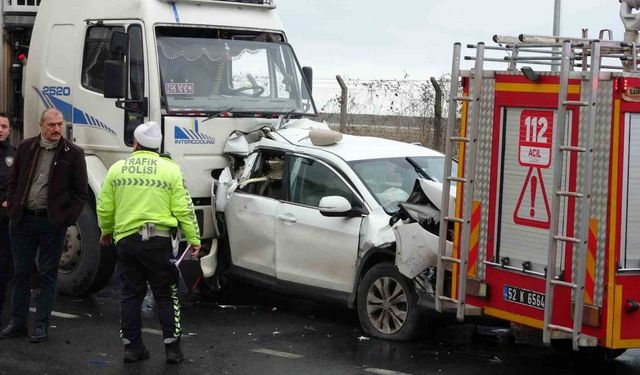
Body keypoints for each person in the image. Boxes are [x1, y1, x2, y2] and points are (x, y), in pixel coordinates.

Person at [97, 121, 201, 364]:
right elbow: (184, 209)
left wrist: (105, 231)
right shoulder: (170, 170)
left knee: (130, 294)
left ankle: (132, 348)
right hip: (158, 242)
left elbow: (104, 206)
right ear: (158, 146)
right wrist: (194, 240)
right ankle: (172, 350)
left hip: (126, 241)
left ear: (135, 143)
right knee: (166, 294)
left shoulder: (117, 169)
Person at [0, 108, 88, 343]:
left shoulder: (73, 153)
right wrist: (13, 207)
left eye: (60, 124)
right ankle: (18, 323)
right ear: (41, 125)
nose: (57, 129)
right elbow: (14, 180)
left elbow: (80, 192)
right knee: (21, 274)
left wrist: (67, 218)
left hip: (51, 223)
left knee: (48, 275)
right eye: (52, 125)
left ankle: (41, 325)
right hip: (22, 221)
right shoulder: (26, 148)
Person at [0, 113, 16, 324]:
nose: (1, 129)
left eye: (4, 126)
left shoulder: (14, 154)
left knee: (5, 265)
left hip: (6, 219)